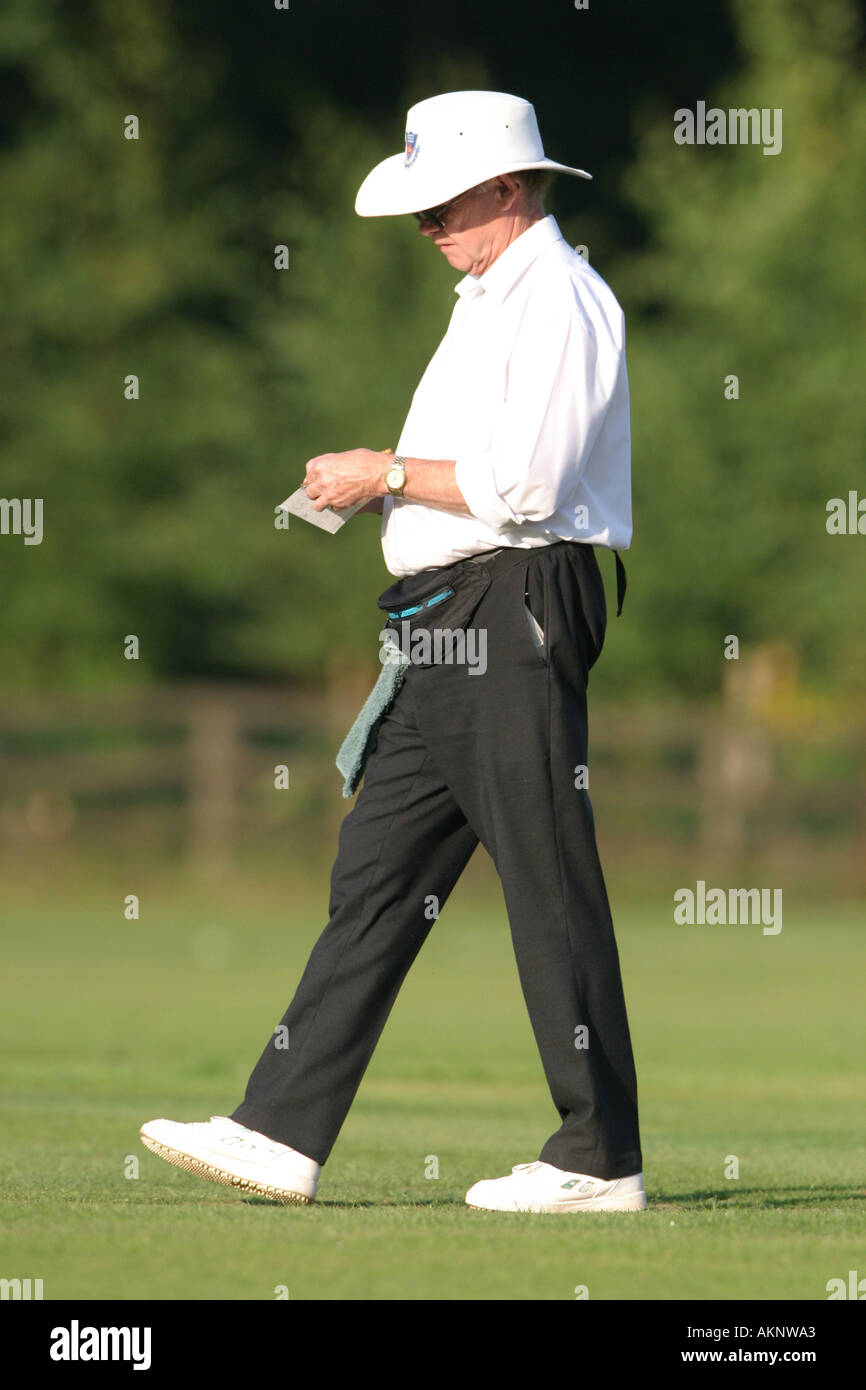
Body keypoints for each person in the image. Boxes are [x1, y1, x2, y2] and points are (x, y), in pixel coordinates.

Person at [140, 90, 646, 1215]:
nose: (426, 227)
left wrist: (382, 471)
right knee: (375, 877)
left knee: (543, 873)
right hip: (448, 620)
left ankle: (598, 1156)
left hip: (515, 605)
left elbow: (528, 487)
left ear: (509, 189)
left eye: (444, 203)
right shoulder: (487, 299)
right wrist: (386, 494)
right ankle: (278, 1128)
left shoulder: (555, 298)